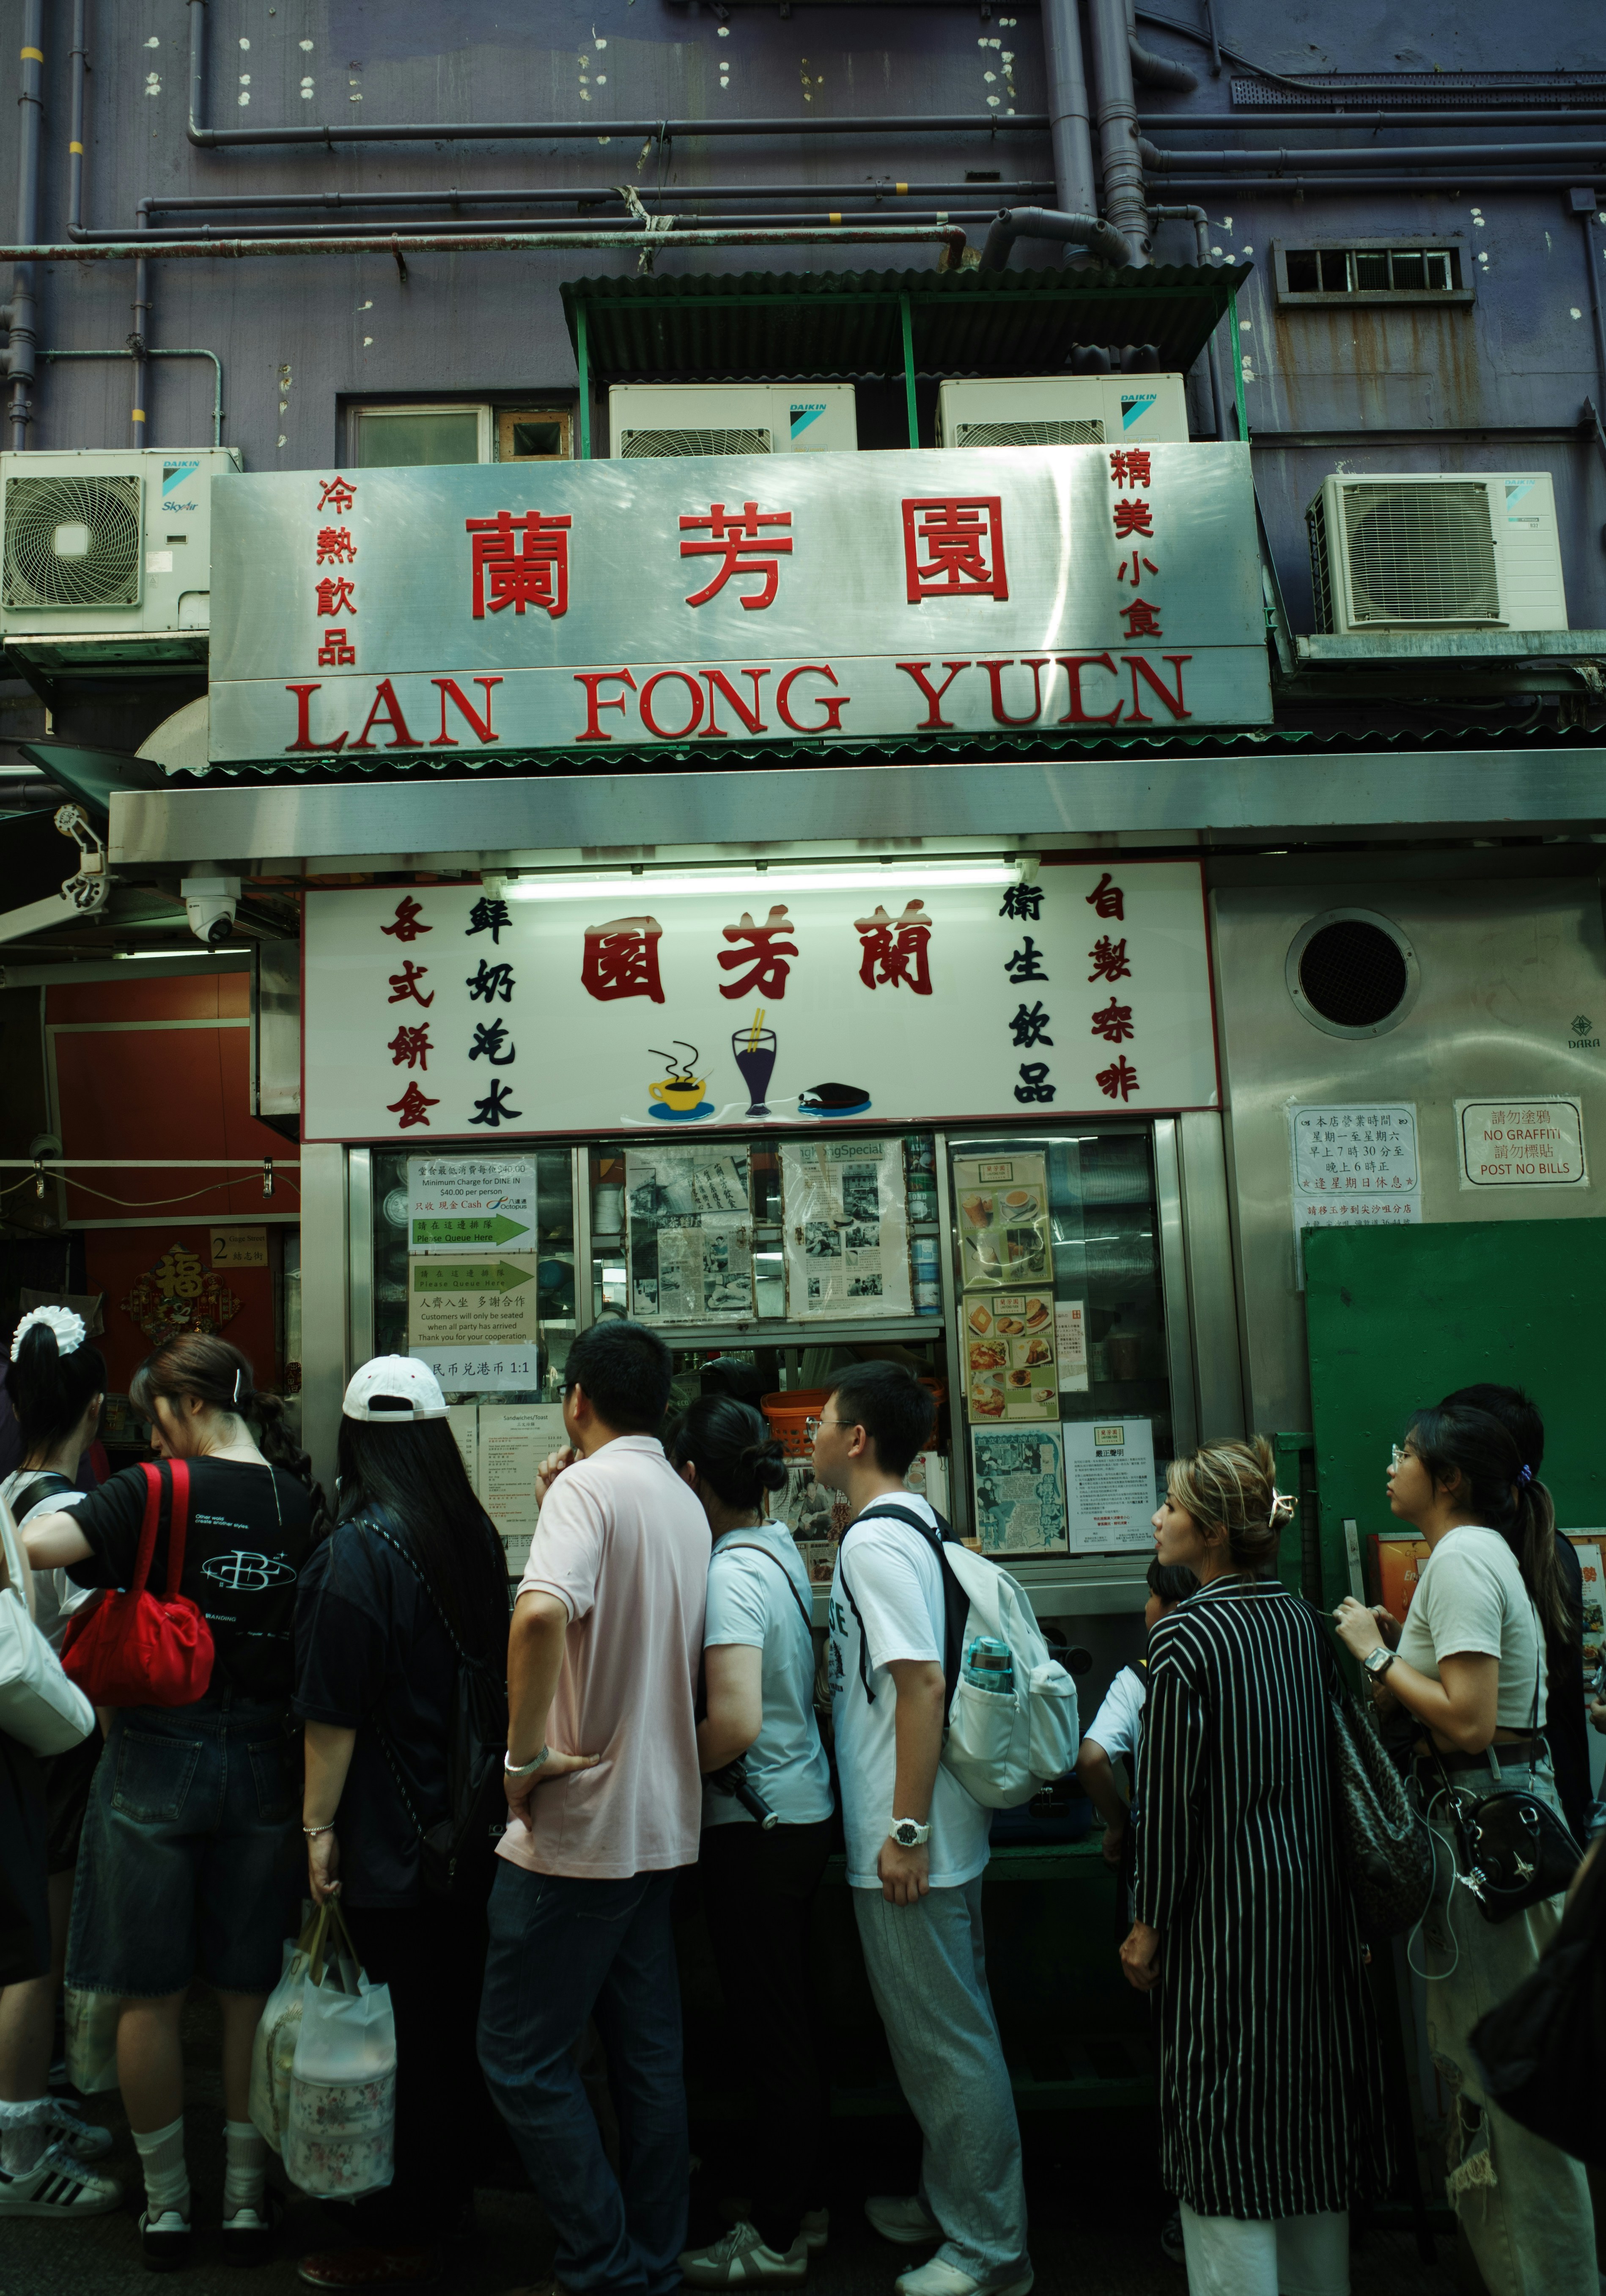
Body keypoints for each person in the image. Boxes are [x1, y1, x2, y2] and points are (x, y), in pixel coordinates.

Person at [23, 1332, 317, 2270]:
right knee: (244, 1992)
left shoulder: (154, 1488)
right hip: (267, 1763)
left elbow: (38, 1542)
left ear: (186, 1407)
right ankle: (241, 2203)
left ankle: (163, 2208)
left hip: (154, 1756)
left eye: (158, 1419)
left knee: (148, 1995)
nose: (157, 1439)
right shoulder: (300, 1499)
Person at [1335, 1403, 1595, 2296]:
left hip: (1490, 1833)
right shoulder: (1476, 1553)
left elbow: (1470, 1716)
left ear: (1445, 1481)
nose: (1390, 1465)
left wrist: (1373, 1656)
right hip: (1487, 1820)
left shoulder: (1457, 1556)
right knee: (1492, 2083)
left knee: (1509, 2087)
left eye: (1402, 1453)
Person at [1124, 1437, 1391, 2296]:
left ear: (1205, 1531)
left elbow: (1166, 1806)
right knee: (1308, 2118)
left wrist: (1145, 1922)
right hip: (1313, 1907)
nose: (1156, 1518)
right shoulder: (1299, 1619)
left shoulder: (1183, 1639)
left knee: (1222, 2122)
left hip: (1224, 1923)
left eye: (1168, 1506)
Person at [476, 1319, 709, 2296]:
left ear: (576, 1398)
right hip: (661, 1823)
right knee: (647, 2054)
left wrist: (521, 1756)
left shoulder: (586, 1488)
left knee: (520, 2055)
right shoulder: (681, 1500)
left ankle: (602, 2262)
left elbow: (538, 1615)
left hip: (579, 1828)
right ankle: (650, 2257)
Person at [292, 1356, 511, 2291]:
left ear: (353, 1441)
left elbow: (332, 1712)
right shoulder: (472, 1533)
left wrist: (314, 1828)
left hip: (386, 1835)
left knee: (388, 2041)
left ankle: (395, 2232)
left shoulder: (357, 1549)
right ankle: (447, 2200)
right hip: (467, 1828)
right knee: (447, 2022)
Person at [817, 1363, 1029, 2296]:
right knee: (953, 2035)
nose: (807, 1438)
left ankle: (987, 2251)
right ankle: (954, 2200)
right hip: (950, 1828)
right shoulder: (912, 1523)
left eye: (820, 1423)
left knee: (946, 2048)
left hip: (914, 1841)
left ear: (855, 1438)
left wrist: (902, 1828)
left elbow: (920, 1683)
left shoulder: (872, 1545)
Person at [667, 1396, 835, 2291]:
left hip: (757, 1828)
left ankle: (775, 2236)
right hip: (798, 1815)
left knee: (772, 2037)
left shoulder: (728, 1574)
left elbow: (729, 1722)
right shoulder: (771, 1550)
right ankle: (799, 2200)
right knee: (792, 2026)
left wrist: (652, 1768)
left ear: (691, 1477)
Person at [0, 1307, 122, 2219]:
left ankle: (35, 2110)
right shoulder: (70, 1511)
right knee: (34, 1947)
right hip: (53, 1747)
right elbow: (100, 1654)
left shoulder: (6, 1491)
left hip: (16, 1740)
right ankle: (22, 2146)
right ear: (98, 1404)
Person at [1436, 1383, 1591, 1841]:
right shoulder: (1546, 1546)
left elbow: (1477, 1707)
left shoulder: (1476, 1557)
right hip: (1547, 1790)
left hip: (1517, 1802)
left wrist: (1383, 1664)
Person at [1076, 1555, 1199, 1875]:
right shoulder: (1237, 1668)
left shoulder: (1136, 1680)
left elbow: (1090, 1759)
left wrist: (1119, 1822)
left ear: (1173, 1610)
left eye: (1150, 1595)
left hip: (1153, 1862)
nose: (1146, 1607)